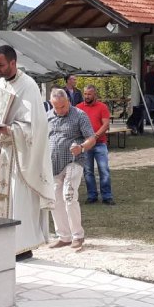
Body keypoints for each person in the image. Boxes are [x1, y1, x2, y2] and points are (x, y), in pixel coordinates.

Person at [0, 45, 55, 259]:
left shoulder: (28, 86)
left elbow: (36, 125)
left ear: (13, 63)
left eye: (1, 65)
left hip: (17, 154)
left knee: (16, 199)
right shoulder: (0, 85)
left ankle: (20, 246)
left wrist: (9, 129)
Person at [47, 88, 96, 251]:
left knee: (69, 196)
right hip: (53, 164)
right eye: (56, 107)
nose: (60, 110)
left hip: (74, 161)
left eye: (63, 106)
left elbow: (92, 138)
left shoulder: (79, 115)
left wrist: (81, 147)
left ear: (68, 101)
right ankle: (64, 236)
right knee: (54, 200)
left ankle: (77, 236)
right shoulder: (48, 116)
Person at [77, 85, 115, 205]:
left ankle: (107, 196)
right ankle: (92, 195)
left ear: (95, 94)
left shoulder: (102, 107)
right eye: (85, 94)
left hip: (100, 144)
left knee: (104, 170)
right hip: (86, 144)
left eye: (89, 94)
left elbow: (106, 124)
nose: (87, 96)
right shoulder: (78, 107)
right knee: (88, 171)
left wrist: (95, 136)